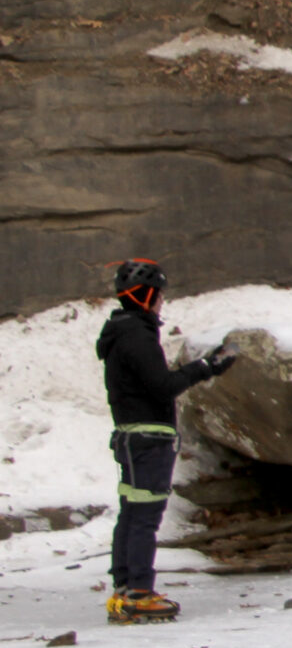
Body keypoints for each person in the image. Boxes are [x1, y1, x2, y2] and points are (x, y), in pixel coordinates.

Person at [94, 260, 233, 625]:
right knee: (144, 517)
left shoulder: (121, 333)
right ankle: (138, 593)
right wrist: (207, 367)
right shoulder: (137, 336)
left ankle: (126, 590)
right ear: (149, 296)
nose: (161, 304)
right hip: (148, 439)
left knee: (132, 513)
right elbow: (164, 387)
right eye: (160, 296)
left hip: (130, 436)